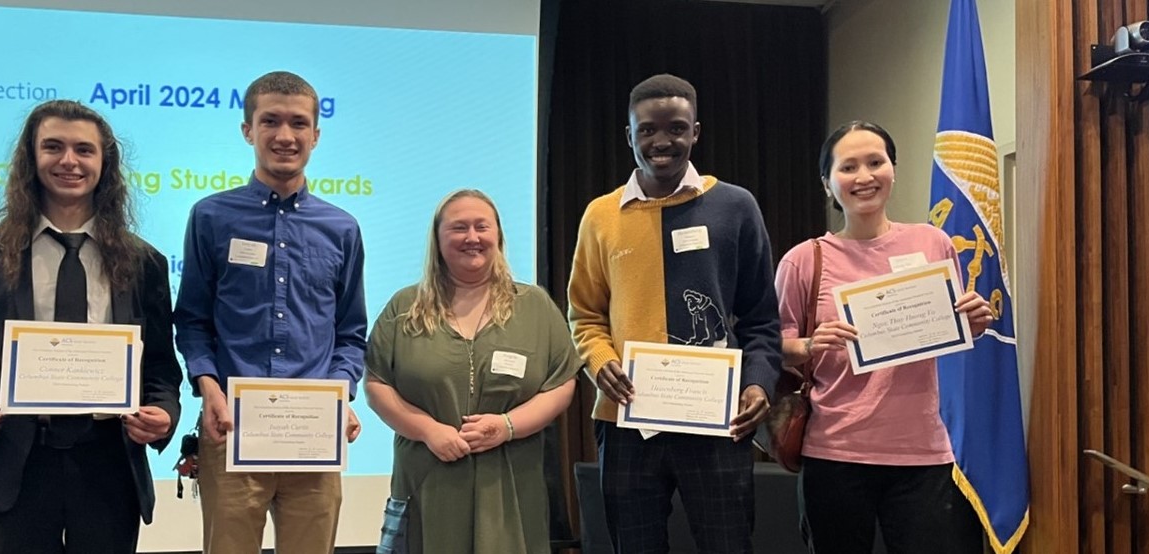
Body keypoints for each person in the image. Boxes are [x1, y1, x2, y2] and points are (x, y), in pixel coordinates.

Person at [0, 99, 183, 553]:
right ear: (32, 158)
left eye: (84, 150)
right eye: (53, 147)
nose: (69, 161)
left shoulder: (143, 262)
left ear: (104, 163)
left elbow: (162, 369)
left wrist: (163, 413)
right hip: (14, 464)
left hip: (108, 464)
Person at [567, 73, 782, 553]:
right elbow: (583, 314)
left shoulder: (734, 206)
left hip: (717, 420)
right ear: (629, 135)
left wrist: (758, 382)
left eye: (676, 128)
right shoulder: (600, 216)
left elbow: (762, 318)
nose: (662, 141)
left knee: (729, 545)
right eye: (647, 130)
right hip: (628, 420)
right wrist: (600, 362)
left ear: (696, 132)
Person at [173, 70, 366, 554]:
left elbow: (351, 333)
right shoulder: (211, 217)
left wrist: (342, 392)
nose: (285, 135)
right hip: (231, 431)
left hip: (314, 437)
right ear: (248, 130)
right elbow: (192, 321)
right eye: (270, 121)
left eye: (299, 123)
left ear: (316, 135)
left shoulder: (342, 228)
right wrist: (209, 388)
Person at [775, 120, 991, 553]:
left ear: (893, 168)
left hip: (923, 453)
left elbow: (950, 327)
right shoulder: (804, 259)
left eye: (876, 162)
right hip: (835, 454)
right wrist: (811, 345)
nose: (864, 176)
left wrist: (974, 320)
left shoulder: (932, 243)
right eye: (848, 167)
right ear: (827, 182)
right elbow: (772, 346)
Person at [365, 189, 579, 554]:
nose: (472, 237)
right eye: (458, 228)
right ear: (438, 238)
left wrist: (507, 426)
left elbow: (561, 383)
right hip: (426, 478)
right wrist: (428, 430)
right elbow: (376, 384)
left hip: (510, 481)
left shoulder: (534, 306)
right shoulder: (405, 308)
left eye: (482, 226)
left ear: (498, 235)